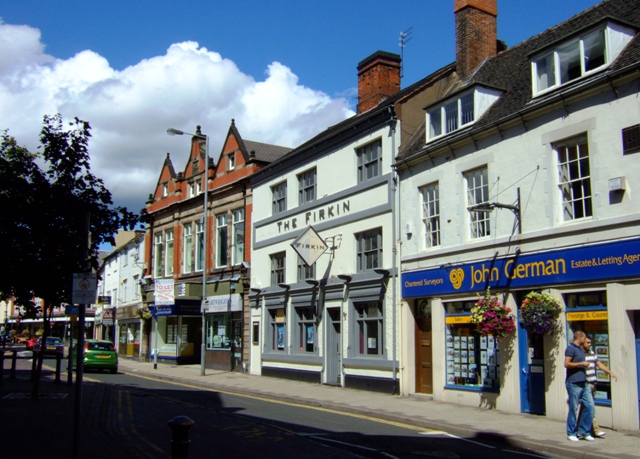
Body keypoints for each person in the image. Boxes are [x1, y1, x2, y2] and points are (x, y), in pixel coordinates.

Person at [579, 335, 618, 437]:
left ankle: (577, 429)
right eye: (588, 343)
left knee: (585, 408)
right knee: (590, 407)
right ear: (583, 343)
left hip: (593, 384)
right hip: (585, 384)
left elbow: (599, 364)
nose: (590, 344)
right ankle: (595, 430)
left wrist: (610, 372)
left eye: (591, 342)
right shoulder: (580, 355)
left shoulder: (592, 353)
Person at [564, 330, 595, 442]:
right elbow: (566, 364)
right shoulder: (571, 349)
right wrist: (581, 364)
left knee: (590, 406)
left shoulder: (581, 349)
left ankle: (584, 431)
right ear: (580, 337)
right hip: (574, 383)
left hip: (584, 382)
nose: (585, 340)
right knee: (574, 408)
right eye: (584, 338)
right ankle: (571, 432)